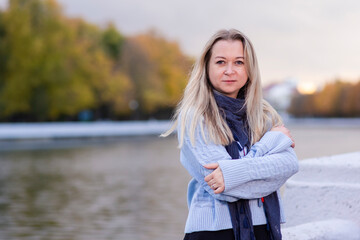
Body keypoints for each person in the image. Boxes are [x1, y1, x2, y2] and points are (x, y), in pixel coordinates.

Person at [162, 29, 299, 240]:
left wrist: (231, 173)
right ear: (206, 67)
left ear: (250, 69)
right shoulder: (195, 116)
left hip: (264, 229)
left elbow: (289, 165)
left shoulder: (263, 114)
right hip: (212, 232)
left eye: (239, 62)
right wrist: (269, 144)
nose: (229, 70)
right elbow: (222, 188)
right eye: (220, 62)